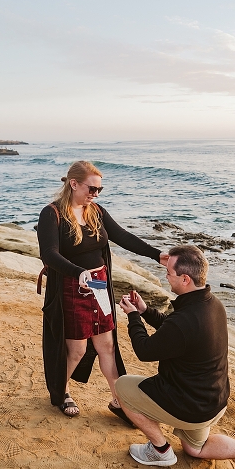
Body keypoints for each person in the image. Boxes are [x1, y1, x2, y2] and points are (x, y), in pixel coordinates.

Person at [115, 245, 235, 469]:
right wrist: (145, 311)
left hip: (189, 403)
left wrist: (133, 318)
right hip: (213, 400)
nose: (165, 276)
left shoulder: (186, 318)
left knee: (122, 387)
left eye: (169, 272)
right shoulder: (212, 305)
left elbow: (145, 350)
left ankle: (160, 450)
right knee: (195, 449)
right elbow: (174, 332)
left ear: (185, 278)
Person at [37, 160, 168, 421]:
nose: (95, 194)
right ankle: (61, 392)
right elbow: (48, 254)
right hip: (72, 288)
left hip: (100, 286)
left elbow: (123, 236)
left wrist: (157, 255)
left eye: (100, 189)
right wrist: (77, 272)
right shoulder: (51, 214)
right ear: (74, 184)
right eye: (92, 188)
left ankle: (120, 401)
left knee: (107, 346)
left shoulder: (95, 211)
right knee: (77, 350)